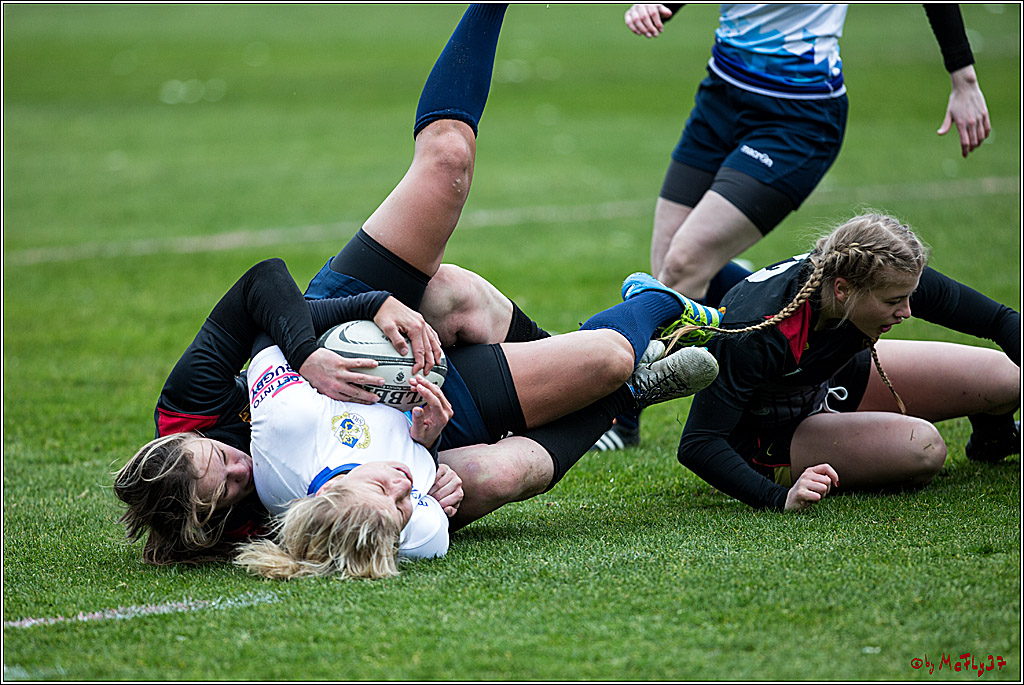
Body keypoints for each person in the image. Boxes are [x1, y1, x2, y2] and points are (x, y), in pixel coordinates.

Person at [113, 4, 721, 570]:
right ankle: (628, 380)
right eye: (229, 490)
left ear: (186, 444)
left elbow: (262, 286)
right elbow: (341, 531)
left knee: (448, 177)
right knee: (520, 449)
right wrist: (427, 473)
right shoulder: (233, 532)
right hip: (405, 434)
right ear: (207, 524)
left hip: (336, 333)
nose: (239, 467)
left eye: (220, 458)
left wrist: (325, 344)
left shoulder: (186, 409)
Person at [593, 3, 993, 452]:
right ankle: (743, 287)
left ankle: (620, 414)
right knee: (671, 267)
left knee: (682, 266)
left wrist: (964, 76)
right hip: (722, 90)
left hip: (798, 112)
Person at [667, 212, 1019, 512]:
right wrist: (778, 498)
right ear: (842, 291)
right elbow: (700, 443)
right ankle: (777, 464)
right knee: (922, 448)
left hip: (827, 381)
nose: (908, 311)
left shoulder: (884, 271)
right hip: (767, 432)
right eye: (894, 302)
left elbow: (1001, 321)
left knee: (1008, 378)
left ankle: (994, 441)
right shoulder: (759, 330)